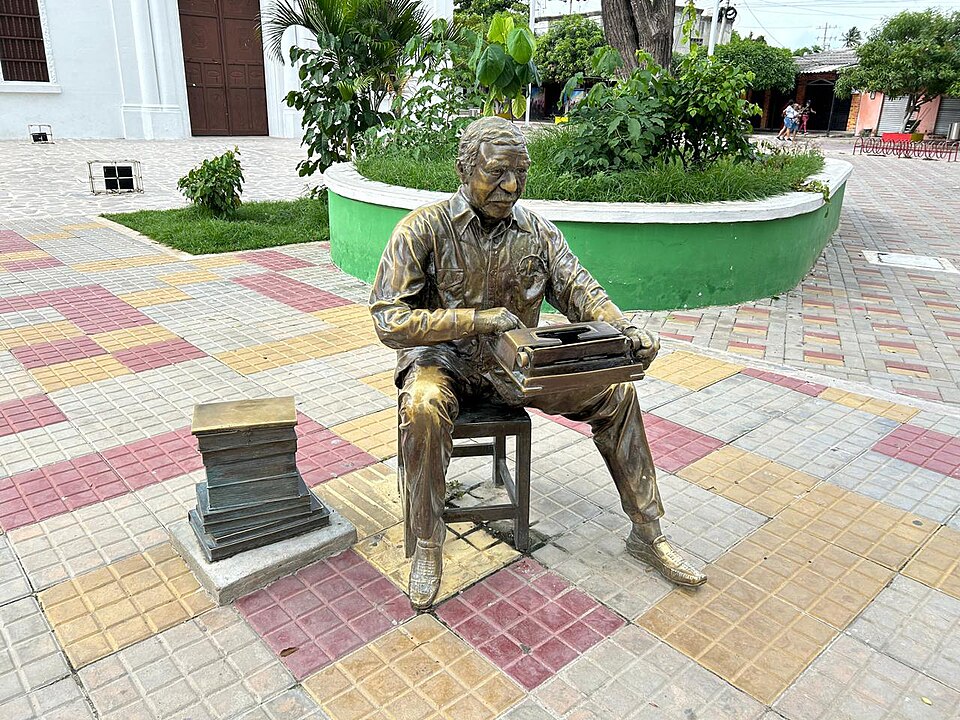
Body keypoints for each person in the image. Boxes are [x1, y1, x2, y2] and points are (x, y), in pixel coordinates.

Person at [369, 116, 707, 609]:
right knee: (421, 404)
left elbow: (579, 289)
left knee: (618, 393)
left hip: (519, 369)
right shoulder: (421, 229)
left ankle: (647, 531)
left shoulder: (538, 233)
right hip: (444, 364)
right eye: (497, 172)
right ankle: (427, 540)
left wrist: (625, 328)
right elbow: (388, 320)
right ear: (464, 169)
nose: (511, 185)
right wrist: (475, 321)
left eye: (520, 173)